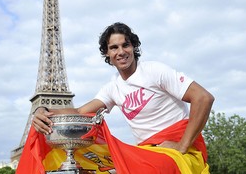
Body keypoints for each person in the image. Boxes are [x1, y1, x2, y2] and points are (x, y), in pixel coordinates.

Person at [32, 22, 215, 172]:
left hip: (180, 151)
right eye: (114, 47)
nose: (121, 51)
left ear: (133, 47)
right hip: (146, 152)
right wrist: (44, 111)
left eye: (125, 45)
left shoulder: (154, 71)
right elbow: (80, 112)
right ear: (107, 53)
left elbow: (203, 98)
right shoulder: (113, 88)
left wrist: (182, 145)